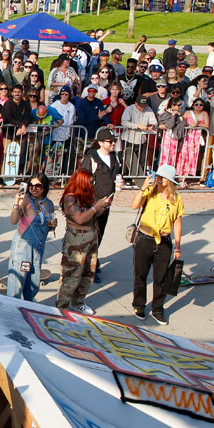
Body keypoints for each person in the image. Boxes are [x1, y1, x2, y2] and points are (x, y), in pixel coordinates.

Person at [130, 164, 184, 325]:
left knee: (161, 278)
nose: (158, 180)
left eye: (162, 178)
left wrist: (178, 246)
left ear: (169, 181)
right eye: (157, 177)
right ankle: (138, 305)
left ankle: (158, 309)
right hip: (144, 239)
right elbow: (134, 205)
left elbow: (178, 223)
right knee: (140, 275)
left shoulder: (177, 199)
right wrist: (143, 188)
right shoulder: (150, 192)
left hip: (164, 242)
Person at [55, 169, 110, 315]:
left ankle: (78, 302)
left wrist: (102, 206)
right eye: (90, 181)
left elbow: (95, 214)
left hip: (92, 237)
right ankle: (62, 305)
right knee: (72, 274)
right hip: (76, 241)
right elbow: (79, 219)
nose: (92, 184)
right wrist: (95, 207)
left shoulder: (89, 195)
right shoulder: (70, 198)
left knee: (88, 273)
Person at [79, 127, 124, 282]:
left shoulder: (115, 157)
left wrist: (120, 183)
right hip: (92, 204)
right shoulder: (91, 158)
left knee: (99, 235)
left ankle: (93, 261)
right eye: (109, 141)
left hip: (106, 204)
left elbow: (116, 175)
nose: (113, 144)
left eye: (114, 141)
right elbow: (82, 181)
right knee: (89, 236)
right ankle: (88, 268)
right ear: (100, 142)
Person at [7, 174, 56, 302]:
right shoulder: (26, 201)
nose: (34, 189)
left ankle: (27, 307)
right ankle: (11, 309)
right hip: (23, 246)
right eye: (31, 186)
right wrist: (17, 203)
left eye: (38, 186)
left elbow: (48, 225)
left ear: (44, 187)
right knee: (17, 283)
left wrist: (52, 225)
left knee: (33, 283)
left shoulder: (49, 204)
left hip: (38, 248)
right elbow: (13, 220)